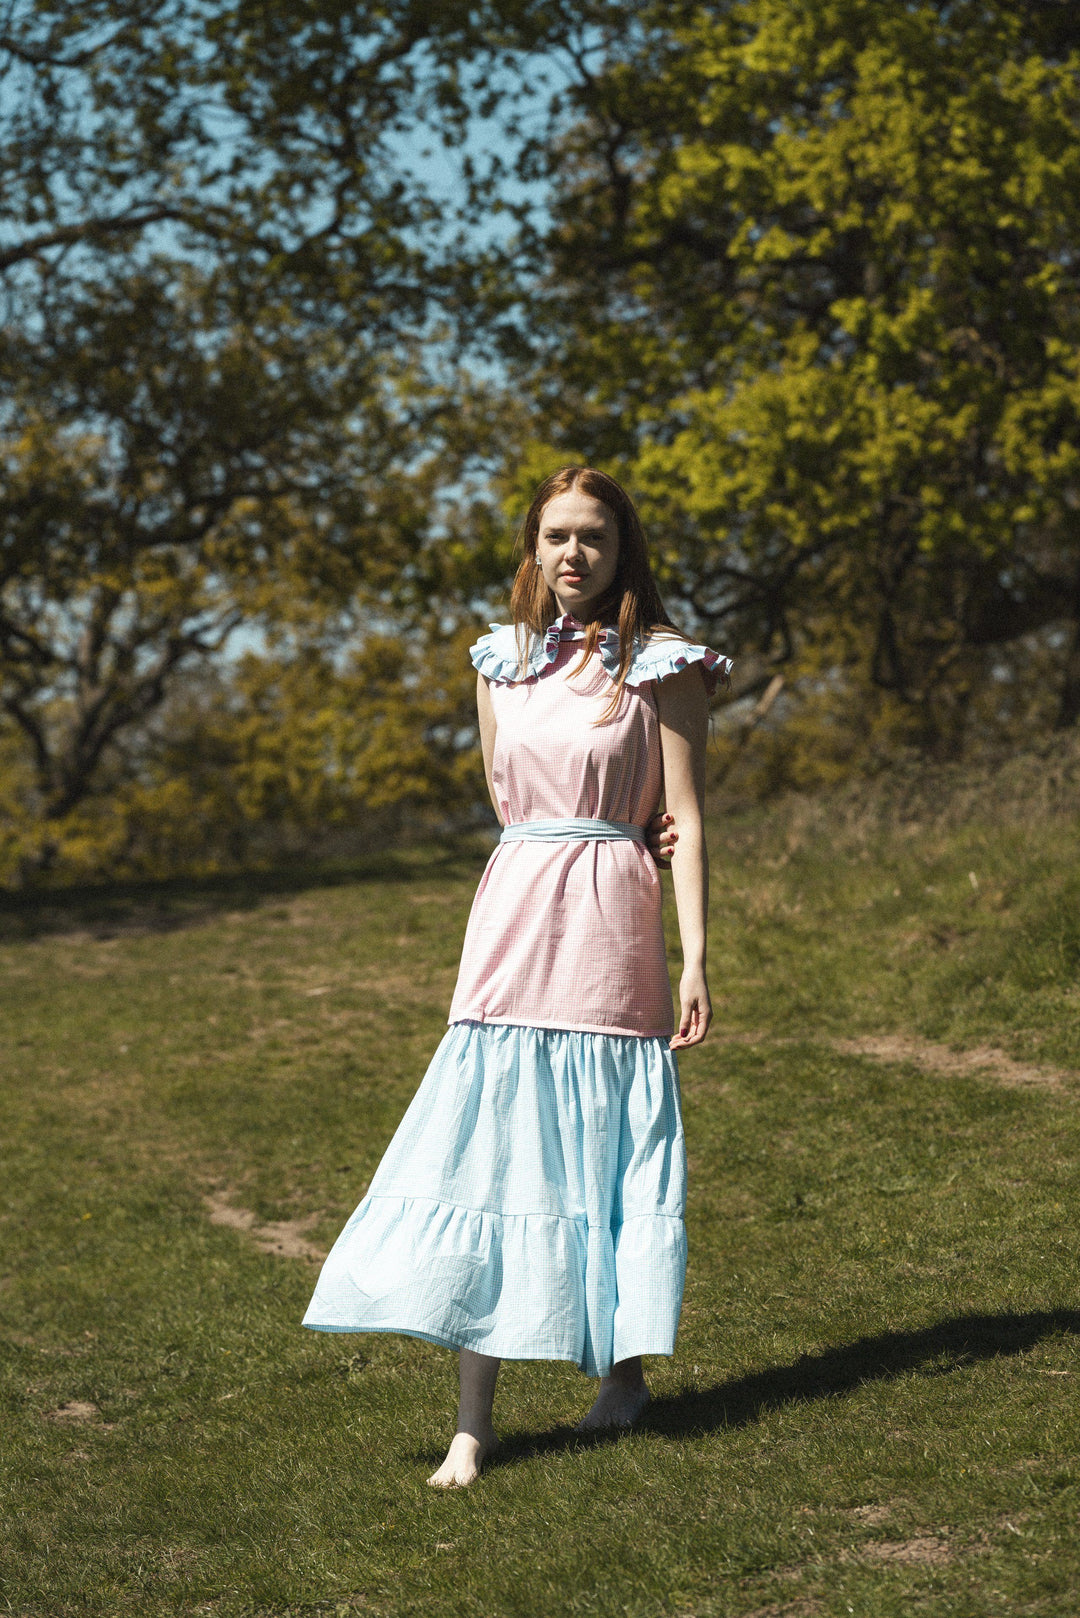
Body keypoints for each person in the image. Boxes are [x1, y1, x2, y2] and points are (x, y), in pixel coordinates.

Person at [303, 466, 731, 1487]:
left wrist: (697, 956)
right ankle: (473, 1425)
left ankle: (622, 1378)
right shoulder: (500, 661)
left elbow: (685, 816)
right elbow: (509, 805)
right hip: (514, 910)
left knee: (606, 1139)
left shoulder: (663, 664)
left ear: (623, 550)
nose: (574, 553)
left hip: (612, 913)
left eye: (594, 536)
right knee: (491, 1149)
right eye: (556, 536)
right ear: (534, 549)